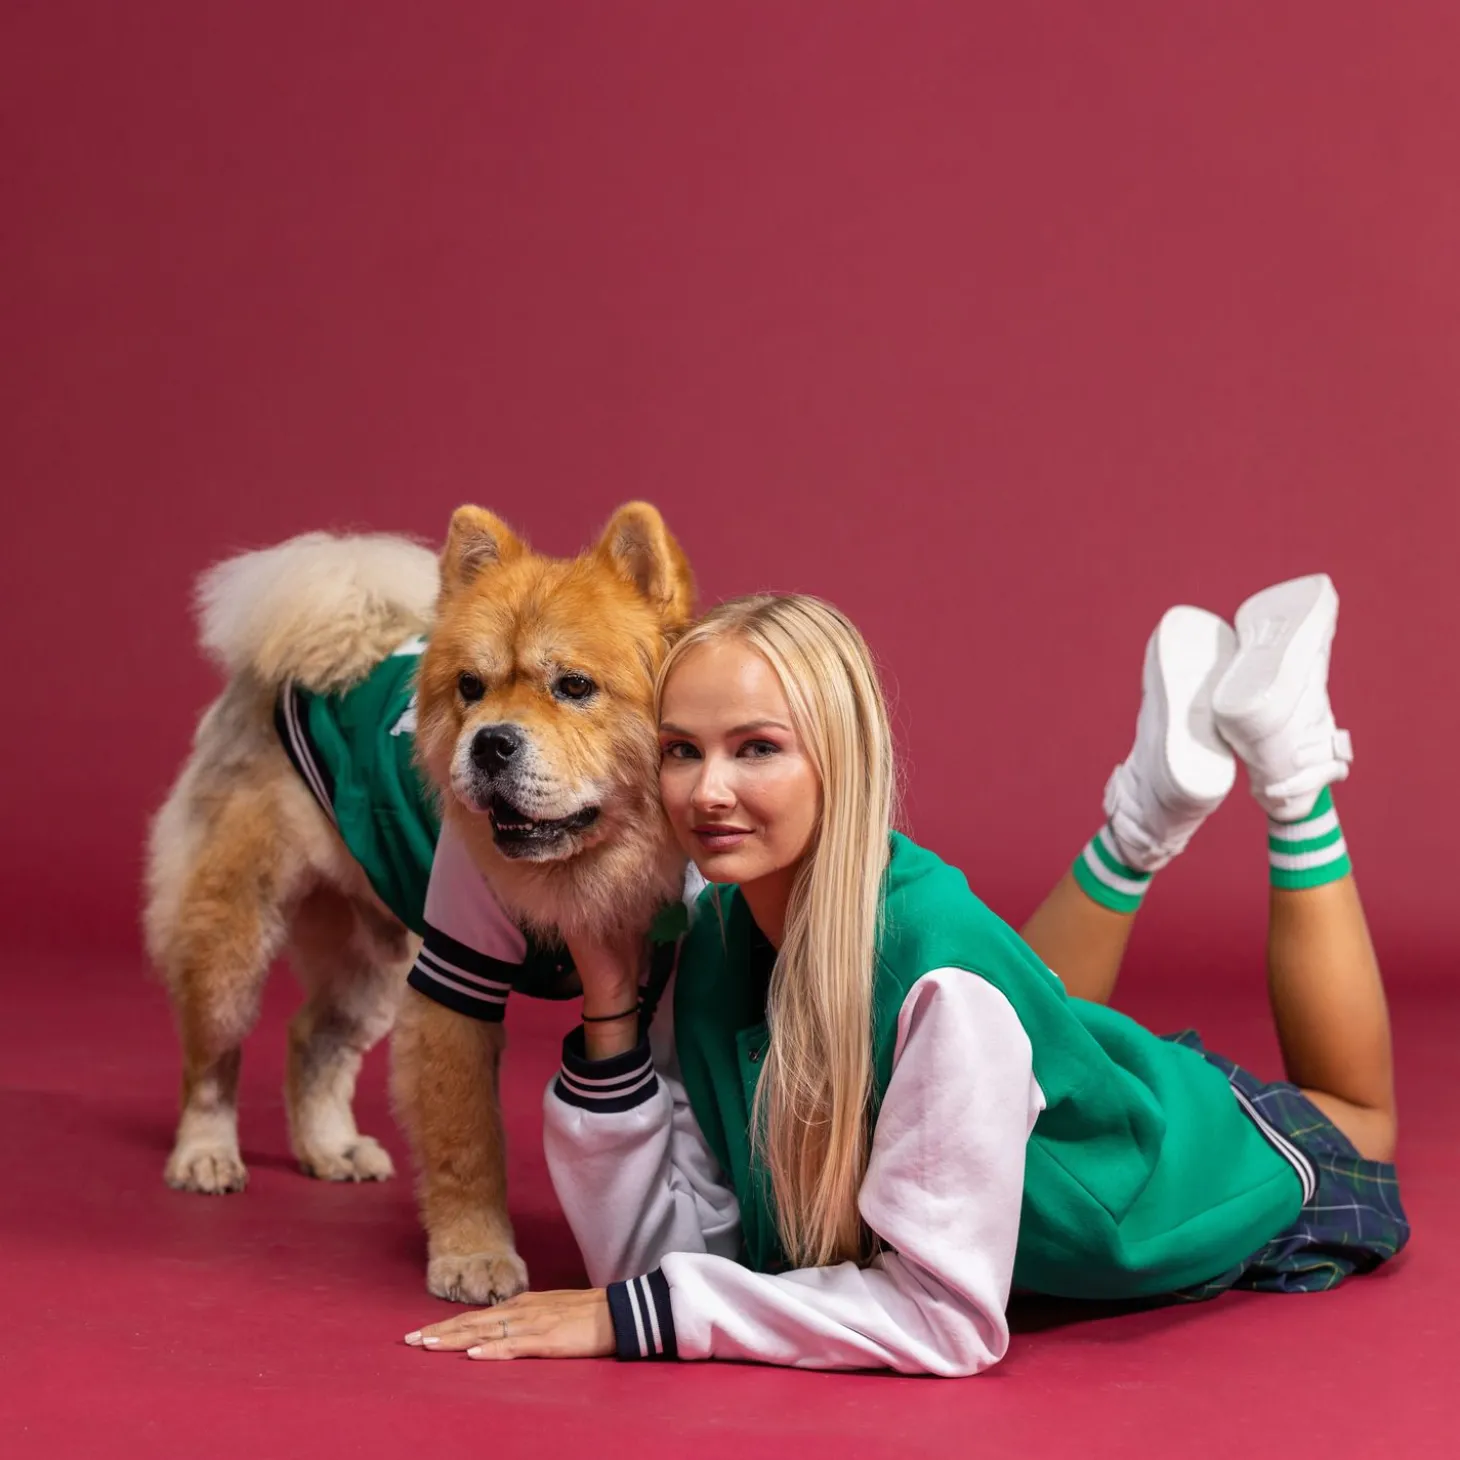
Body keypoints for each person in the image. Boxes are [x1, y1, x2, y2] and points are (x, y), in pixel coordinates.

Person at [404, 575, 1408, 1375]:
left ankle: (1292, 772)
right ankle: (1145, 816)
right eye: (680, 750)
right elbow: (657, 1257)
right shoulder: (711, 940)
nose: (707, 790)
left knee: (1361, 1121)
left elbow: (942, 1319)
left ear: (838, 760)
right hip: (1039, 1064)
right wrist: (610, 1004)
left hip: (1175, 1165)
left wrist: (641, 1319)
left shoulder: (944, 988)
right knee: (1024, 1005)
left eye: (756, 749)